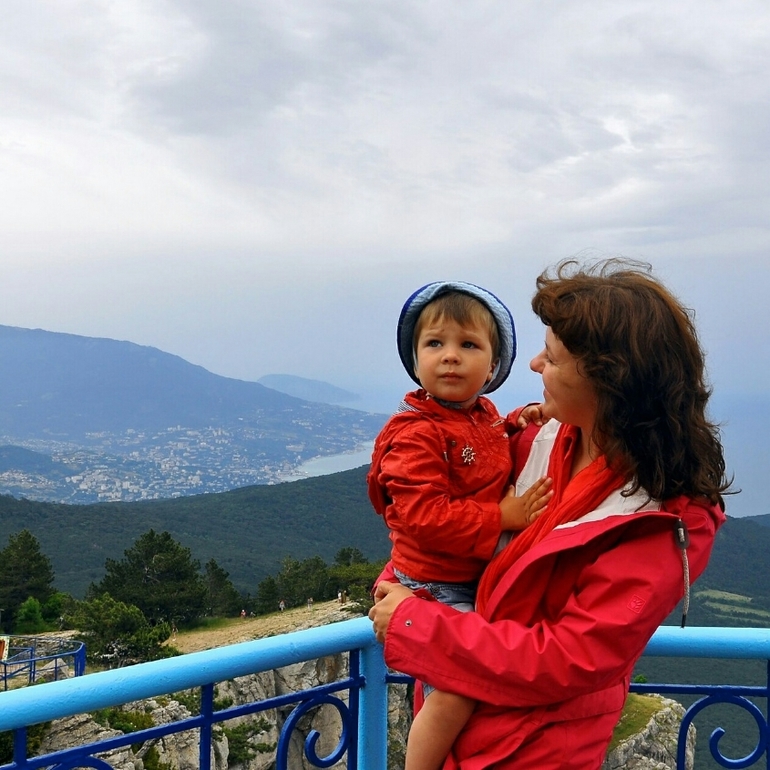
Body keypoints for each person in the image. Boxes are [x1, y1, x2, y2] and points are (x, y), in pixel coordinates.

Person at [369, 259, 729, 769]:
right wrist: (399, 580)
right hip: (460, 726)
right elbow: (437, 508)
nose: (535, 364)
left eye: (553, 357)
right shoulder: (540, 441)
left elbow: (566, 658)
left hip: (535, 752)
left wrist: (413, 622)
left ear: (608, 381)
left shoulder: (663, 519)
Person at [368, 281, 552, 770]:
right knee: (457, 687)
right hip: (434, 581)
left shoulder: (481, 414)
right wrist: (503, 516)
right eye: (435, 343)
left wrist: (517, 420)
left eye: (468, 344)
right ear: (416, 360)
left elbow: (484, 444)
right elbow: (424, 517)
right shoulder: (416, 433)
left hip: (467, 574)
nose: (450, 356)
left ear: (492, 367)